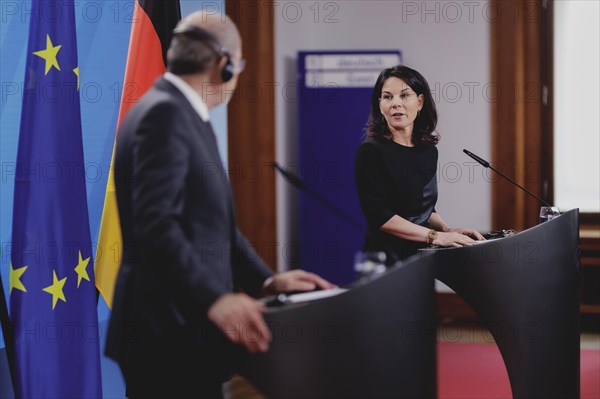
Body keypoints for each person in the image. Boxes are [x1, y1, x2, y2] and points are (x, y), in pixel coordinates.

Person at [105, 10, 334, 399]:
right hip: (165, 333)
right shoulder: (163, 115)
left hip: (189, 330)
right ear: (224, 65)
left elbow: (216, 226)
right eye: (240, 63)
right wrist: (216, 298)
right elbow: (155, 226)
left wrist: (266, 280)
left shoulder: (189, 116)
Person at [354, 65, 485, 264]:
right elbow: (378, 215)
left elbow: (422, 207)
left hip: (421, 255)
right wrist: (436, 236)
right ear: (380, 104)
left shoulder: (428, 151)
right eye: (388, 97)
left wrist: (446, 229)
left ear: (420, 101)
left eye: (404, 95)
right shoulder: (371, 151)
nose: (395, 104)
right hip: (386, 259)